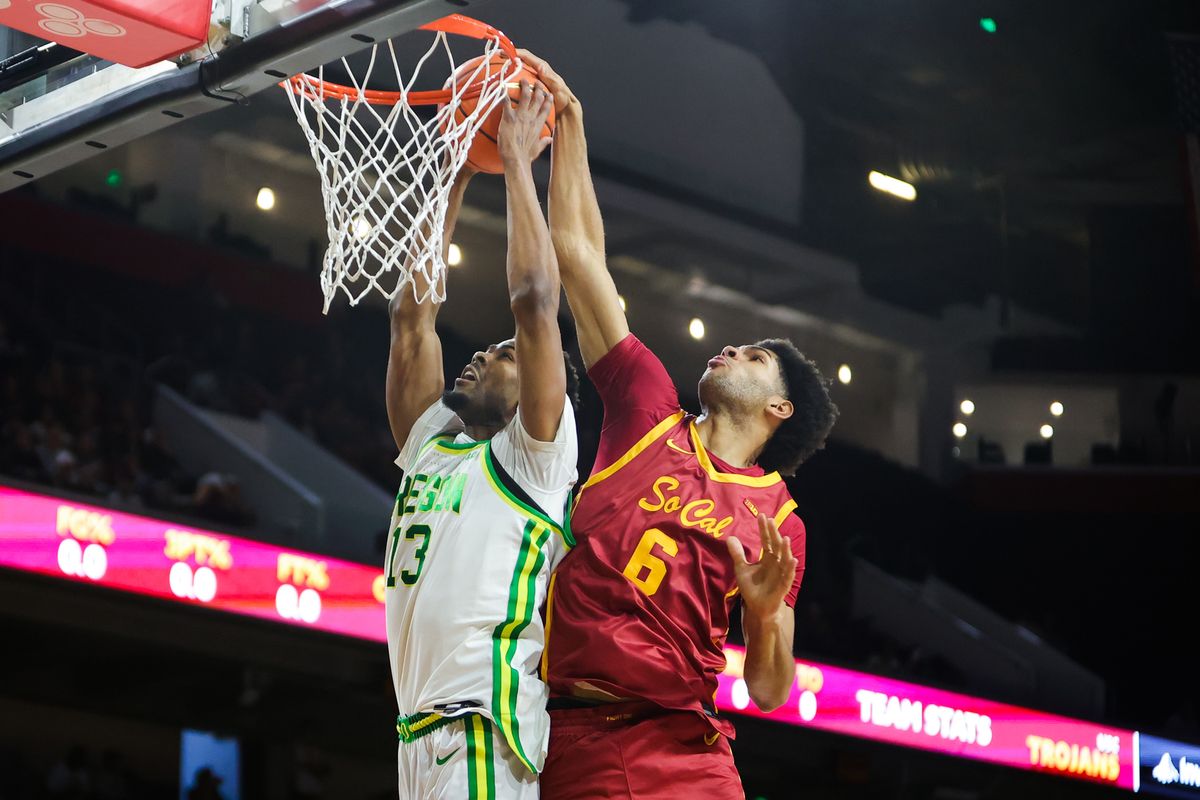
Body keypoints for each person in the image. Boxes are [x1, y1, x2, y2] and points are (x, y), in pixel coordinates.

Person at [518, 52, 839, 798]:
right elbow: (578, 255)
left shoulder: (778, 522)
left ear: (778, 409)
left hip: (690, 748)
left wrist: (761, 617)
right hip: (581, 732)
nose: (729, 348)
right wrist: (572, 126)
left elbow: (766, 691)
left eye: (755, 356)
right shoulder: (646, 408)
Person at [384, 82, 578, 800]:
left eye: (501, 353)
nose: (479, 356)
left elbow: (534, 302)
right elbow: (413, 319)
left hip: (482, 730)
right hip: (416, 735)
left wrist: (520, 163)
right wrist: (457, 173)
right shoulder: (432, 442)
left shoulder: (537, 458)